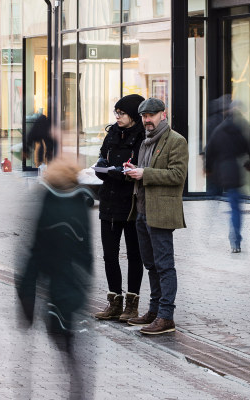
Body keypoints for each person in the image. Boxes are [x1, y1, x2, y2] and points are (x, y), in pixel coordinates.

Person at [17, 157, 94, 399]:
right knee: (68, 341)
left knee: (59, 333)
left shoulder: (46, 202)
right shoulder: (80, 203)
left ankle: (75, 383)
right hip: (73, 287)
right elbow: (87, 254)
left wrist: (26, 293)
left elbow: (35, 251)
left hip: (54, 286)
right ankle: (77, 386)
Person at [122, 97, 188, 335]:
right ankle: (153, 310)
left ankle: (166, 316)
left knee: (164, 266)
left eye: (151, 115)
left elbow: (178, 175)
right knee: (150, 264)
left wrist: (145, 173)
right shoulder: (146, 142)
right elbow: (145, 173)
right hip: (141, 210)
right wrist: (133, 172)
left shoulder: (176, 141)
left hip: (161, 212)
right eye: (143, 116)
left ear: (163, 114)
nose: (146, 120)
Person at [92, 94, 146, 322]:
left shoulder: (144, 137)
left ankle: (132, 304)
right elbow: (102, 158)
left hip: (132, 203)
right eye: (116, 112)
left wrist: (122, 173)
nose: (117, 116)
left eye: (121, 113)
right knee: (109, 255)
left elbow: (144, 169)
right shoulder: (112, 133)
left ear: (133, 114)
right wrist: (101, 167)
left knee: (135, 255)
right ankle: (114, 302)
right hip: (110, 202)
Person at [204, 97, 250, 253]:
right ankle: (235, 240)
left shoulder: (218, 130)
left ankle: (213, 233)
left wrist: (207, 168)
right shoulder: (240, 129)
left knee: (215, 204)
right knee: (235, 209)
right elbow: (248, 148)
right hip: (235, 173)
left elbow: (210, 151)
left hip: (220, 173)